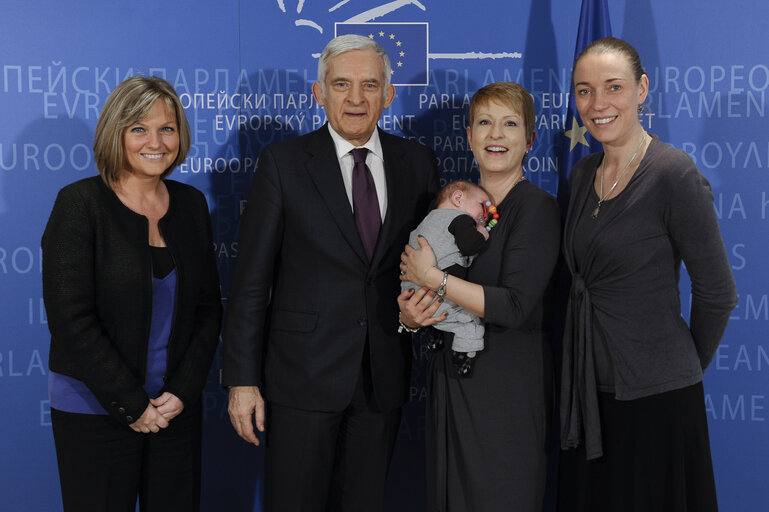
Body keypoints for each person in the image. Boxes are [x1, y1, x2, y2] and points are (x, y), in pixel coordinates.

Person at [221, 34, 439, 512]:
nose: (356, 99)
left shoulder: (418, 163)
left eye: (369, 85)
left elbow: (425, 267)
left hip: (381, 377)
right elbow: (251, 282)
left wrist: (413, 315)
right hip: (301, 378)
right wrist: (241, 380)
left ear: (389, 94)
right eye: (341, 84)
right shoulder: (283, 164)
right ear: (320, 94)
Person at [557, 37, 738, 512]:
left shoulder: (673, 175)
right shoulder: (581, 175)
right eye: (583, 91)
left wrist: (679, 365)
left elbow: (718, 293)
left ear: (642, 89)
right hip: (589, 397)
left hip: (657, 399)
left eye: (613, 87)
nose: (598, 105)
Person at [42, 76, 222, 512]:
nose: (155, 142)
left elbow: (207, 310)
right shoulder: (80, 204)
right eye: (139, 129)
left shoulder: (192, 204)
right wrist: (133, 403)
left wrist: (182, 391)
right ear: (115, 133)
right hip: (94, 410)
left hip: (173, 409)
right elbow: (71, 319)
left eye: (167, 128)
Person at [399, 82, 561, 511]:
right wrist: (411, 317)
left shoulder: (536, 208)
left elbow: (514, 306)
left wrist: (433, 278)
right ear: (468, 135)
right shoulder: (454, 210)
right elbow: (425, 295)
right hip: (451, 385)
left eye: (510, 124)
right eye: (485, 123)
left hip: (506, 395)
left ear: (529, 139)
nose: (495, 135)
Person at [401, 179, 495, 377]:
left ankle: (433, 333)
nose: (484, 217)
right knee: (471, 321)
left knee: (435, 315)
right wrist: (483, 234)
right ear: (458, 198)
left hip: (412, 292)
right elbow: (469, 245)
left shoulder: (427, 220)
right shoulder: (460, 219)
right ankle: (462, 354)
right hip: (438, 289)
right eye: (482, 206)